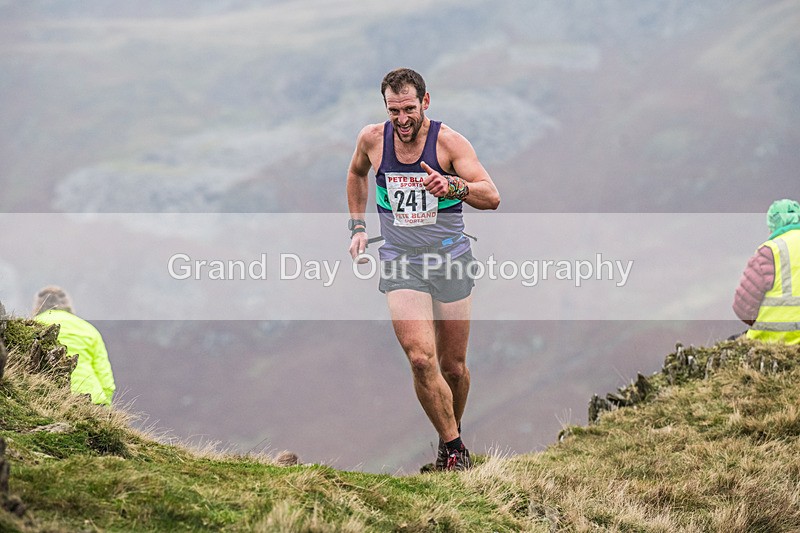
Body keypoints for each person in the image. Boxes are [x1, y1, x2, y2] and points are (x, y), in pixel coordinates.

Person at [345, 68, 500, 471]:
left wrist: (453, 187)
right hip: (401, 259)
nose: (402, 119)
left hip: (450, 257)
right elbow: (356, 173)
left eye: (409, 109)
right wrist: (358, 226)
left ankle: (451, 438)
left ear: (425, 102)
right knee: (419, 359)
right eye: (394, 110)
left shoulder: (449, 143)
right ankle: (454, 450)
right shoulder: (372, 140)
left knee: (454, 367)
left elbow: (491, 195)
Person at [33, 286, 116, 405]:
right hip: (92, 398)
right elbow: (105, 376)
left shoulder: (32, 325)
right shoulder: (89, 329)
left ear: (38, 305)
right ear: (68, 304)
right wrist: (106, 405)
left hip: (48, 397)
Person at [733, 199, 800, 344]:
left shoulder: (771, 251)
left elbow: (742, 307)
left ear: (772, 226)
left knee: (731, 345)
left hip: (774, 337)